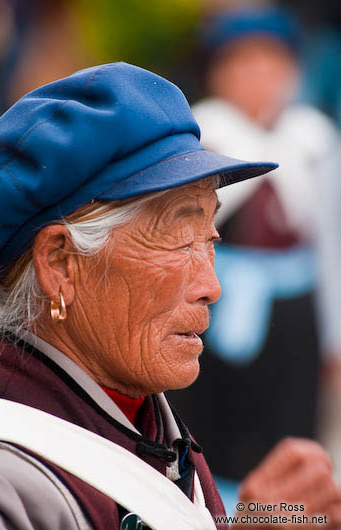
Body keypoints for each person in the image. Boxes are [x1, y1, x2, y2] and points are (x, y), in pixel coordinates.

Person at [0, 62, 339, 530]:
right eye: (178, 239)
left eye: (210, 238)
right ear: (61, 263)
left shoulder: (143, 420)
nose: (212, 287)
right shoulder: (4, 482)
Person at [168, 6, 341, 510]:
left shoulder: (312, 140)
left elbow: (328, 238)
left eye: (273, 65)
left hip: (294, 313)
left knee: (288, 420)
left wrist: (333, 332)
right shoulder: (204, 138)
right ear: (218, 74)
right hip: (220, 307)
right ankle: (218, 513)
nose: (260, 80)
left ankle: (291, 513)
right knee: (216, 422)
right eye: (243, 65)